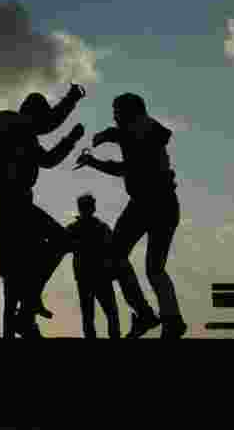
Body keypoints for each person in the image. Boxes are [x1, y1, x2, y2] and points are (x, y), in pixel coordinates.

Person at [74, 93, 187, 339]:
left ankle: (154, 316)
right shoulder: (137, 132)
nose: (114, 116)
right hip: (156, 204)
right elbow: (127, 159)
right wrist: (101, 150)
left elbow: (137, 153)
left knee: (126, 261)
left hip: (152, 204)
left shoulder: (142, 128)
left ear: (129, 111)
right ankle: (166, 319)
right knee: (151, 268)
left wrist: (107, 139)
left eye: (117, 111)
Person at [0, 85, 86, 337]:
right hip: (13, 205)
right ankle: (31, 298)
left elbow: (49, 159)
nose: (44, 125)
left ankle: (28, 307)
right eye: (41, 118)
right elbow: (50, 123)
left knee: (12, 289)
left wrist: (70, 139)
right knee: (63, 240)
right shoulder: (17, 128)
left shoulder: (24, 136)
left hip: (14, 206)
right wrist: (72, 100)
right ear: (33, 115)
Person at [66, 193, 120, 339]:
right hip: (100, 276)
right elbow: (113, 250)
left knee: (89, 314)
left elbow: (64, 245)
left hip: (87, 277)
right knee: (110, 313)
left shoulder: (74, 229)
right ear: (93, 207)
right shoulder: (101, 228)